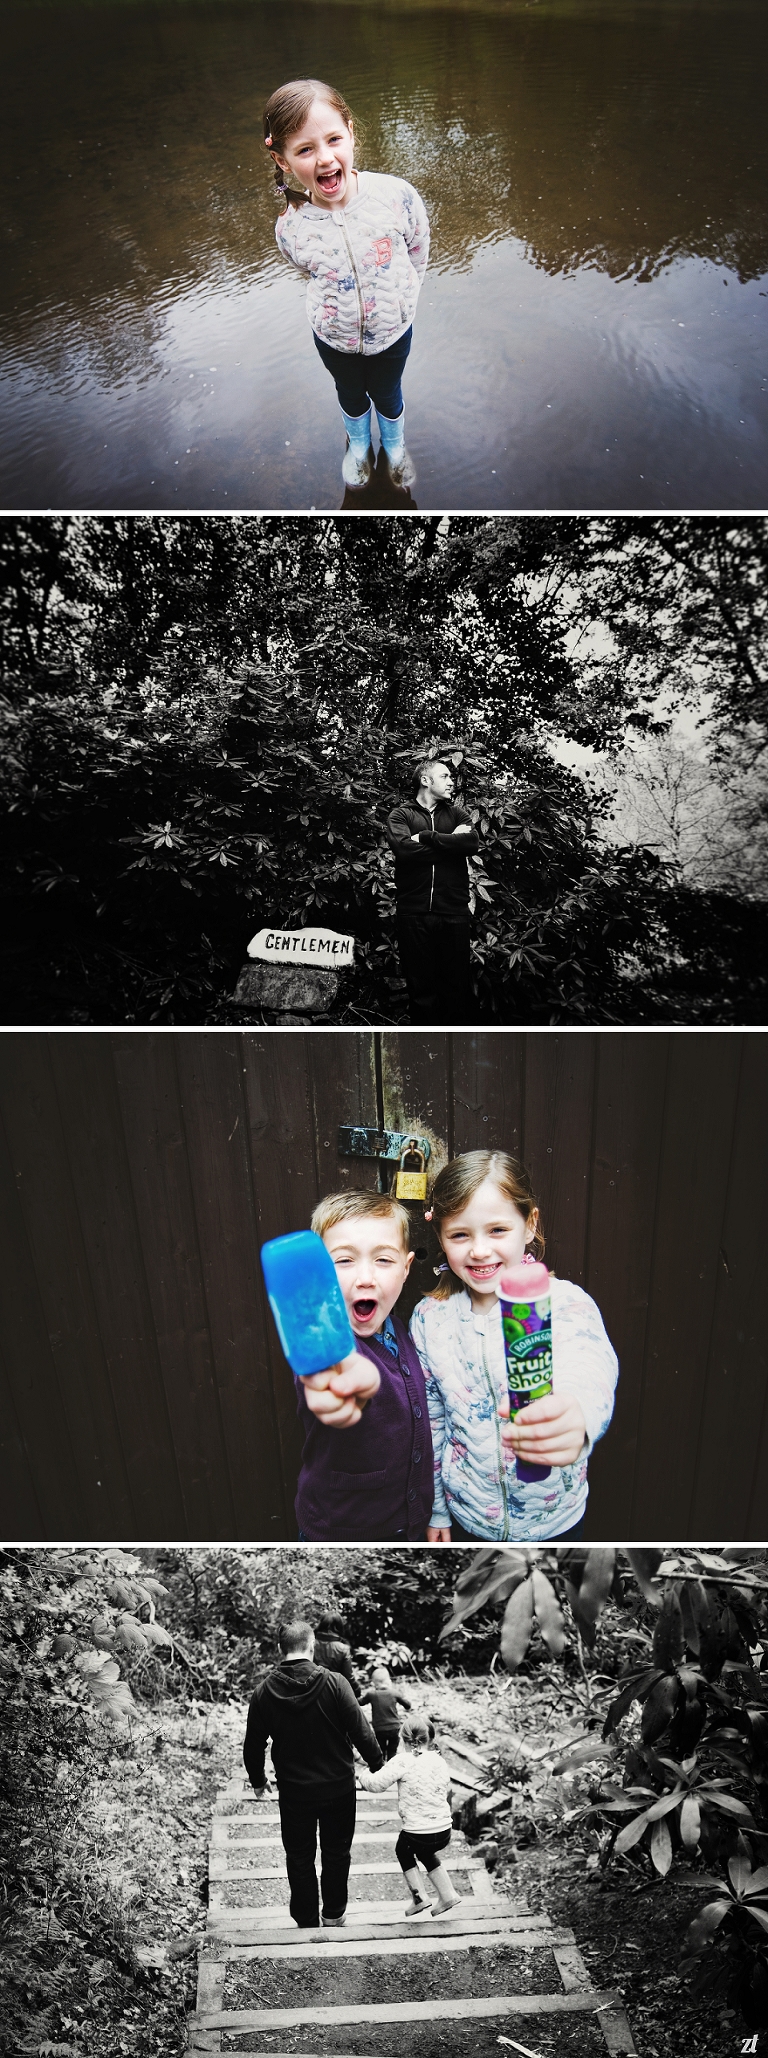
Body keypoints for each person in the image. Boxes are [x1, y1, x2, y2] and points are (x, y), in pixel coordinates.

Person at [409, 1149, 618, 1542]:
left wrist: (578, 1415)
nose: (480, 1250)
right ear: (440, 1237)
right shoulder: (429, 1319)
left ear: (529, 1224)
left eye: (497, 1230)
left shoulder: (564, 1304)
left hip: (553, 1521)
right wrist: (437, 1508)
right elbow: (432, 1420)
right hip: (469, 1515)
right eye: (460, 1235)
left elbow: (590, 1366)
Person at [263, 80, 429, 492]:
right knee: (351, 394)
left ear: (351, 132)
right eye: (304, 149)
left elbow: (418, 245)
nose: (324, 158)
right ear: (282, 160)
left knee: (388, 394)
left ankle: (394, 444)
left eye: (334, 139)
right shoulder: (291, 228)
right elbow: (305, 269)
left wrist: (406, 297)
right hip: (333, 339)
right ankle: (358, 445)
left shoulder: (394, 197)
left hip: (394, 331)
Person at [294, 1190, 434, 1543]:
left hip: (411, 1526)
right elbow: (333, 1369)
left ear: (406, 1268)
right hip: (340, 1532)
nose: (366, 1278)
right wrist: (344, 1381)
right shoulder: (323, 1341)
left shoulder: (401, 1329)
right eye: (345, 1261)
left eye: (383, 1261)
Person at [243, 1619, 383, 1929]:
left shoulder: (264, 1691)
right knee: (336, 1852)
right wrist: (378, 1765)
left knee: (299, 1856)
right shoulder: (335, 1683)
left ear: (283, 1649)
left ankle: (306, 1919)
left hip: (294, 1792)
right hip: (338, 1788)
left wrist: (258, 1780)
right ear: (312, 1645)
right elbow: (361, 1730)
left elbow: (253, 1744)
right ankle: (333, 1914)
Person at [385, 760, 480, 1024]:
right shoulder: (400, 815)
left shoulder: (458, 814)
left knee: (455, 989)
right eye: (445, 776)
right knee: (421, 990)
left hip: (454, 914)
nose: (452, 781)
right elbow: (404, 850)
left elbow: (471, 843)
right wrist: (451, 844)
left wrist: (426, 836)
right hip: (413, 914)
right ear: (426, 781)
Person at [357, 1715, 460, 1918]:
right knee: (424, 1852)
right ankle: (448, 1894)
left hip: (417, 1832)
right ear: (430, 1738)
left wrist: (363, 1773)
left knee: (403, 1850)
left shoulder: (403, 1761)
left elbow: (375, 1785)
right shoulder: (439, 1760)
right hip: (444, 1830)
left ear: (402, 1739)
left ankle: (419, 1898)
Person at [359, 1663, 412, 1759]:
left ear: (374, 1684)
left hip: (379, 1729)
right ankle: (391, 1765)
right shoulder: (395, 1693)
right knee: (392, 1751)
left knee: (381, 1750)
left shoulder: (371, 1694)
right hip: (394, 1728)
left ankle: (382, 1765)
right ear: (388, 1681)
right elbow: (408, 1705)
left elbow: (360, 1702)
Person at [313, 1612, 359, 1695]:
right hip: (334, 1692)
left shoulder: (310, 1644)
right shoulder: (343, 1648)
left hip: (312, 1690)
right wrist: (357, 1691)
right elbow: (349, 1677)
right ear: (339, 1627)